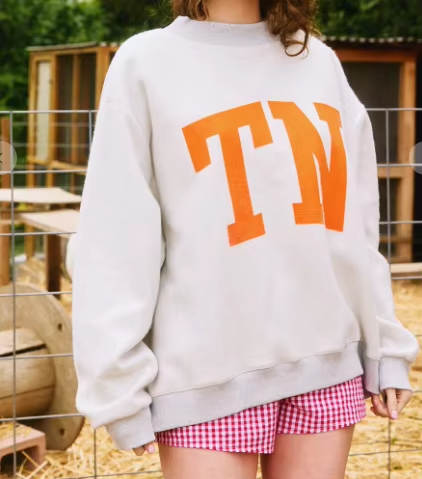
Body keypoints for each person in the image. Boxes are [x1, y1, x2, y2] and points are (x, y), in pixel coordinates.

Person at [71, 1, 420, 478]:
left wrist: (386, 345)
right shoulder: (145, 63)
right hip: (204, 379)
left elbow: (353, 221)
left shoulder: (317, 61)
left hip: (327, 367)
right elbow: (116, 236)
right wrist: (117, 385)